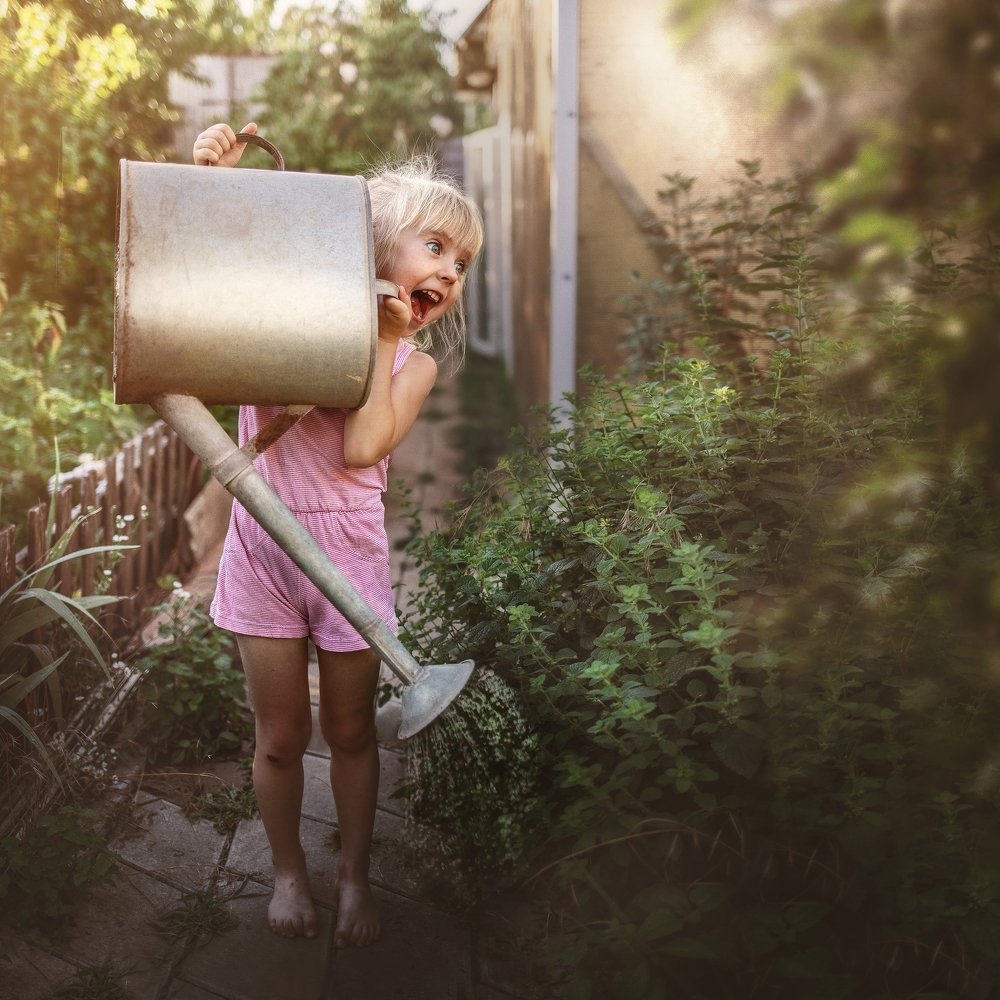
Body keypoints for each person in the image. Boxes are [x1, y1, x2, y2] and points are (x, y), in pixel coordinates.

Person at [192, 122, 483, 946]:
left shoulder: (414, 363)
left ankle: (354, 874)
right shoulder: (291, 313)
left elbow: (361, 446)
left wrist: (391, 339)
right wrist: (213, 185)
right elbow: (207, 286)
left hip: (349, 556)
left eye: (461, 264)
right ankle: (290, 870)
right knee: (281, 735)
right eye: (435, 246)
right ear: (372, 244)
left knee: (350, 730)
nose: (450, 271)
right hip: (263, 549)